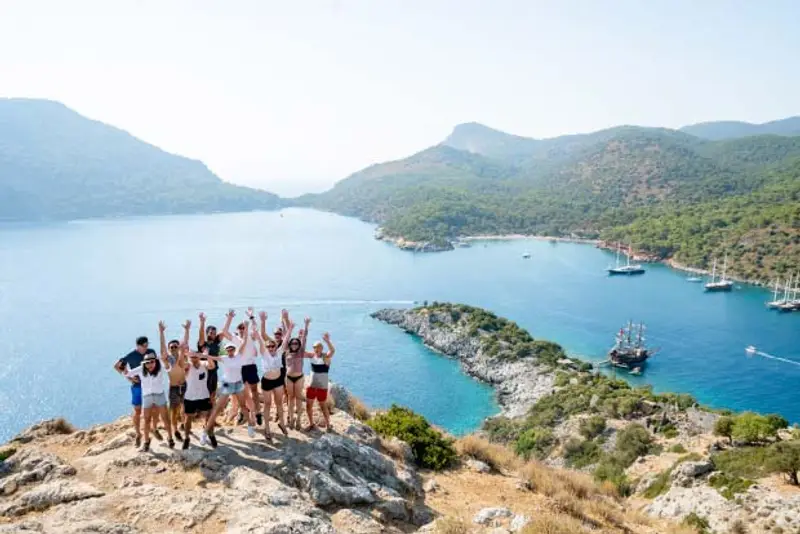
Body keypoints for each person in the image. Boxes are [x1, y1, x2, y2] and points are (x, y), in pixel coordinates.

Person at [205, 310, 256, 447]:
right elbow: (210, 356)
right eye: (228, 349)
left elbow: (248, 338)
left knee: (246, 401)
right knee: (221, 406)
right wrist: (195, 354)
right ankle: (206, 432)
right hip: (230, 379)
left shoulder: (244, 346)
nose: (230, 351)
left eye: (232, 349)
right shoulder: (227, 353)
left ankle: (251, 422)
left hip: (243, 376)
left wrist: (248, 323)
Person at [124, 321, 174, 451]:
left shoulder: (161, 366)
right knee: (146, 420)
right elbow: (126, 372)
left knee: (165, 418)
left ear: (155, 361)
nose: (150, 364)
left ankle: (170, 437)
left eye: (152, 361)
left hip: (159, 395)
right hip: (147, 397)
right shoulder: (141, 368)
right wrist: (129, 377)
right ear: (144, 363)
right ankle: (146, 441)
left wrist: (162, 333)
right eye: (147, 362)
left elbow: (163, 353)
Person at [254, 317, 293, 442]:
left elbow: (286, 339)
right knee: (267, 404)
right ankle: (267, 428)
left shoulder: (279, 352)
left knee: (279, 404)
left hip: (278, 381)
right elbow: (260, 339)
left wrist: (290, 328)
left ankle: (282, 423)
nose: (271, 348)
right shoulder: (264, 353)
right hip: (267, 382)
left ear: (276, 347)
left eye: (273, 346)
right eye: (269, 347)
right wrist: (257, 322)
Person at [113, 335, 156, 447]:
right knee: (137, 411)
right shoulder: (131, 355)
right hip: (137, 386)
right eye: (143, 346)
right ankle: (138, 434)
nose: (146, 347)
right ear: (138, 346)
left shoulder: (151, 352)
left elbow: (156, 365)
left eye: (147, 345)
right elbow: (117, 366)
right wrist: (129, 377)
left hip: (150, 386)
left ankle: (151, 430)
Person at [221, 308, 261, 426]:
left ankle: (256, 414)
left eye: (244, 327)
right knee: (244, 394)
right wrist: (229, 318)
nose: (243, 329)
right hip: (240, 369)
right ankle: (246, 414)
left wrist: (252, 317)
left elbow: (256, 328)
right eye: (240, 328)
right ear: (237, 330)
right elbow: (224, 331)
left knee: (254, 392)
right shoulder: (235, 339)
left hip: (251, 367)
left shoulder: (250, 337)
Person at [180, 342, 215, 449]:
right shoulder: (188, 366)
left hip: (204, 396)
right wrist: (184, 352)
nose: (194, 358)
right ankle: (186, 438)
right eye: (192, 356)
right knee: (188, 419)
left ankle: (210, 434)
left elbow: (212, 365)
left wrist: (205, 356)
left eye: (196, 356)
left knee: (209, 417)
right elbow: (181, 363)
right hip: (190, 397)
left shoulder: (204, 365)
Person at [162, 320, 190, 441]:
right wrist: (161, 332)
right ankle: (175, 430)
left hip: (184, 386)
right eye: (171, 347)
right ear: (169, 349)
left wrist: (187, 330)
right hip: (173, 388)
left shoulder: (182, 357)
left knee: (185, 408)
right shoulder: (167, 360)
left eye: (175, 346)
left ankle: (184, 424)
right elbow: (162, 349)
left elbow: (185, 344)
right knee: (174, 410)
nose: (173, 348)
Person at [305, 332, 336, 432]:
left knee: (323, 406)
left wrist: (327, 341)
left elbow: (332, 351)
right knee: (308, 406)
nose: (316, 349)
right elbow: (300, 352)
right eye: (314, 347)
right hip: (312, 386)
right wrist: (302, 336)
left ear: (322, 348)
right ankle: (311, 424)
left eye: (318, 347)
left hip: (322, 387)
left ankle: (328, 425)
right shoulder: (311, 356)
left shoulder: (325, 357)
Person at [284, 317, 311, 430]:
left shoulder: (300, 352)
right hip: (289, 378)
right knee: (290, 399)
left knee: (299, 399)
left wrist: (306, 325)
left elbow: (304, 338)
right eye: (292, 343)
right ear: (290, 344)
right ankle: (290, 419)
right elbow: (285, 339)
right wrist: (289, 328)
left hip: (299, 378)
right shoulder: (286, 352)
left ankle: (299, 420)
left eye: (296, 343)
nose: (294, 344)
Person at [198, 312, 223, 405]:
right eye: (211, 333)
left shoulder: (216, 343)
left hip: (214, 371)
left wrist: (229, 318)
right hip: (205, 371)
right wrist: (202, 322)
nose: (213, 334)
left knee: (213, 392)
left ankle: (211, 413)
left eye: (214, 333)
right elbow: (201, 335)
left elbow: (224, 331)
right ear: (207, 333)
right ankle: (204, 413)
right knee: (205, 393)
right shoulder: (203, 344)